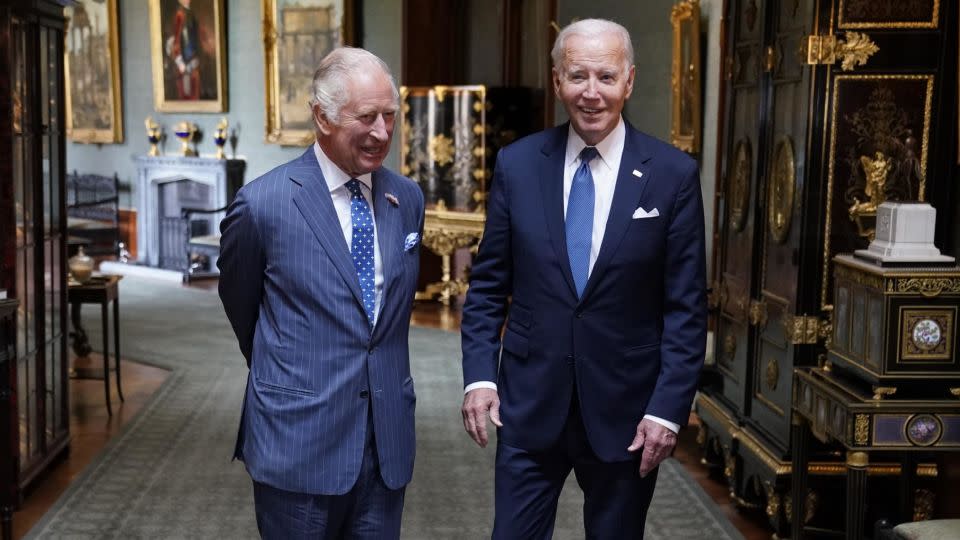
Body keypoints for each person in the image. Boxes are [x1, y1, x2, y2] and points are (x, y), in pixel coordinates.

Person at [460, 18, 706, 539]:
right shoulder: (518, 164)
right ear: (557, 82)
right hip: (529, 403)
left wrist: (667, 409)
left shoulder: (672, 175)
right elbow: (486, 287)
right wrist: (480, 376)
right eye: (577, 76)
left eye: (606, 77)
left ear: (630, 81)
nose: (591, 93)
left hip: (627, 411)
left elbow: (686, 309)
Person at [218, 47, 424, 539]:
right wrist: (291, 367)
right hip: (298, 441)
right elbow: (242, 306)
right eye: (366, 117)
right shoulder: (264, 204)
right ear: (321, 116)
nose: (382, 132)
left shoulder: (407, 199)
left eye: (390, 116)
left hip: (385, 440)